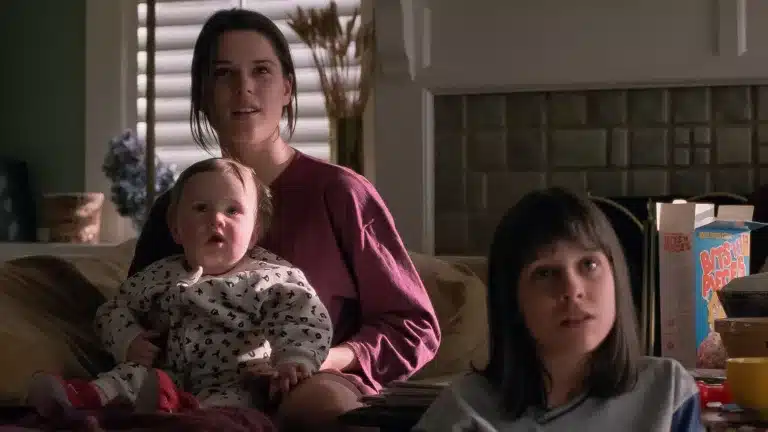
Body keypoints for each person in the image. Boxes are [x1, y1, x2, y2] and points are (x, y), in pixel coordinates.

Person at [127, 8, 440, 431]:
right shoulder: (174, 207)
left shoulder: (340, 192)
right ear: (201, 95)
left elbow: (414, 327)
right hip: (196, 390)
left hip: (315, 385)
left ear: (288, 88)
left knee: (317, 405)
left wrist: (319, 359)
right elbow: (133, 315)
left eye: (261, 71)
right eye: (223, 74)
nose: (244, 88)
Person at [27, 158, 332, 417]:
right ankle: (78, 399)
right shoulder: (159, 275)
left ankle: (182, 412)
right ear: (176, 229)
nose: (216, 219)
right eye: (200, 208)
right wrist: (128, 340)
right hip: (164, 375)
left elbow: (303, 317)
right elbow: (113, 310)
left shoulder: (270, 278)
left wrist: (294, 360)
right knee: (129, 377)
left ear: (254, 233)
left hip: (236, 379)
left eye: (232, 210)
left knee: (236, 408)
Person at [413, 188, 704, 432]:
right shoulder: (465, 408)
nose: (572, 289)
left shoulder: (666, 392)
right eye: (545, 273)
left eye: (589, 264)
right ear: (511, 299)